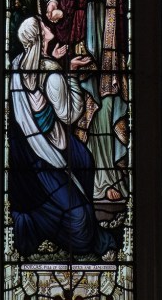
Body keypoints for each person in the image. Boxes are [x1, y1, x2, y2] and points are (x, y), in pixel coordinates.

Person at [34, 0, 129, 202]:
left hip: (101, 28)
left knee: (103, 98)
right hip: (67, 27)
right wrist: (51, 0)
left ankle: (105, 178)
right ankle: (69, 179)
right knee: (70, 101)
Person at [8, 16, 117, 259]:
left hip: (28, 153)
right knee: (80, 222)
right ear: (39, 37)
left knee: (85, 161)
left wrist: (54, 62)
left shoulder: (17, 65)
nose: (49, 28)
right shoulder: (53, 76)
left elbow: (35, 75)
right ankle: (38, 226)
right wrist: (70, 74)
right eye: (44, 26)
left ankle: (52, 219)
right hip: (49, 153)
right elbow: (71, 114)